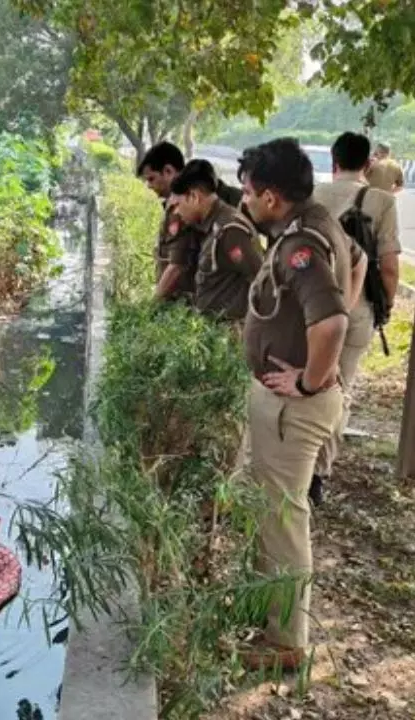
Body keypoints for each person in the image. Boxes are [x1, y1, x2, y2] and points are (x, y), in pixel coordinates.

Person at [237, 138, 355, 671]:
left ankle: (286, 645)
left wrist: (310, 381)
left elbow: (332, 321)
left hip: (294, 410)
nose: (243, 201)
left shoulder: (299, 244)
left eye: (247, 191)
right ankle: (271, 619)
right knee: (273, 515)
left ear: (269, 196)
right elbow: (359, 264)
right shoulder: (317, 222)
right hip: (290, 405)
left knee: (284, 523)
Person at [309, 132, 401, 506]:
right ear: (368, 165)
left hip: (311, 308)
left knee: (308, 381)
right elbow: (391, 266)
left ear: (333, 162)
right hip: (357, 312)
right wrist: (386, 306)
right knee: (340, 389)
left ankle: (298, 461)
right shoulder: (380, 201)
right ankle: (319, 473)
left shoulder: (311, 198)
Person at [167, 159, 263, 324]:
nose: (176, 211)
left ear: (194, 197)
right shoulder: (211, 226)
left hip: (228, 334)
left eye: (178, 204)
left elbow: (260, 280)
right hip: (212, 330)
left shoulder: (230, 230)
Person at [136, 141, 198, 302]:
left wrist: (152, 304)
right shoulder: (176, 203)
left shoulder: (181, 209)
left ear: (169, 171)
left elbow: (177, 265)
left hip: (182, 299)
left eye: (151, 179)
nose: (149, 186)